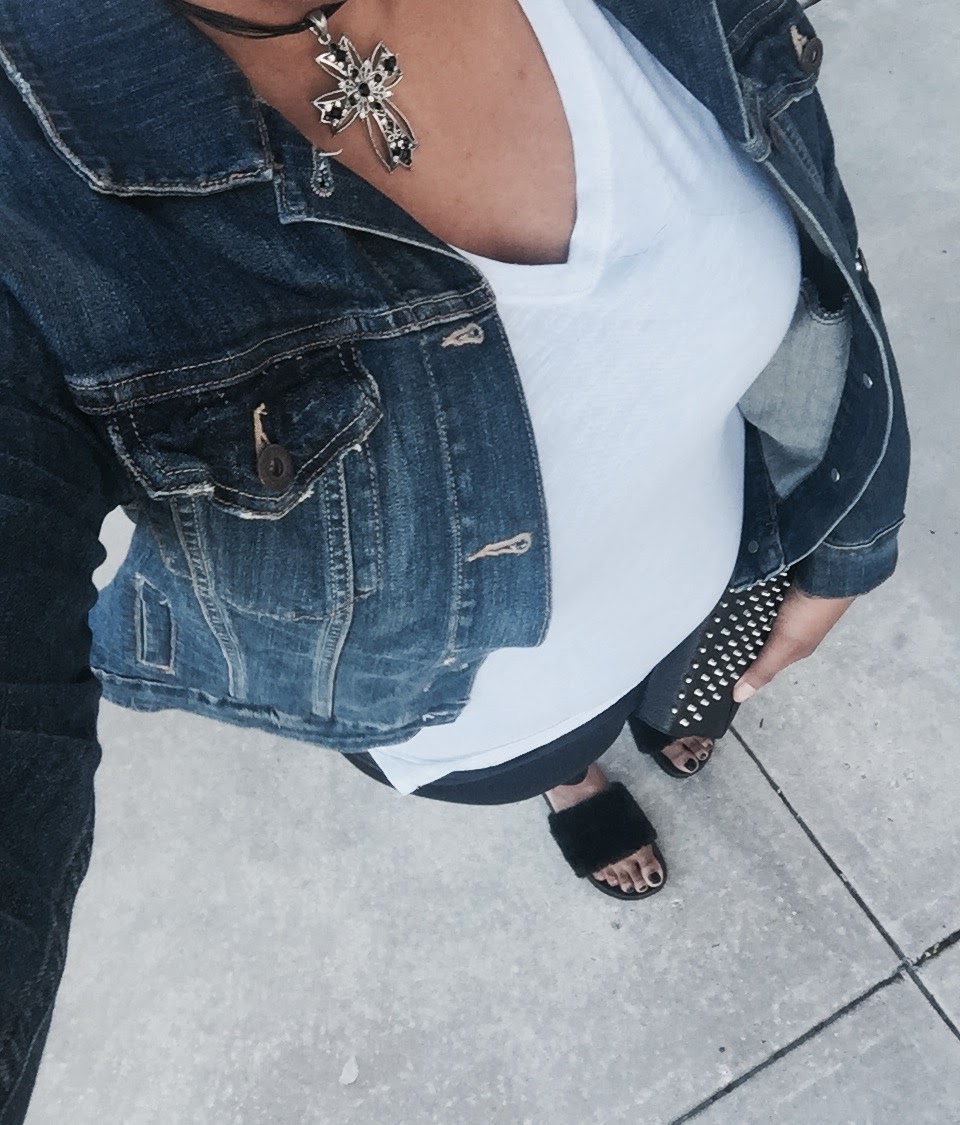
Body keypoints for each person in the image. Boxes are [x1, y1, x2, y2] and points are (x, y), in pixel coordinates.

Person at [0, 0, 909, 1117]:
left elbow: (816, 225)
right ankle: (569, 779)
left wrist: (855, 524)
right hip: (490, 718)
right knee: (553, 756)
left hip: (727, 548)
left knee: (698, 686)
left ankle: (652, 714)